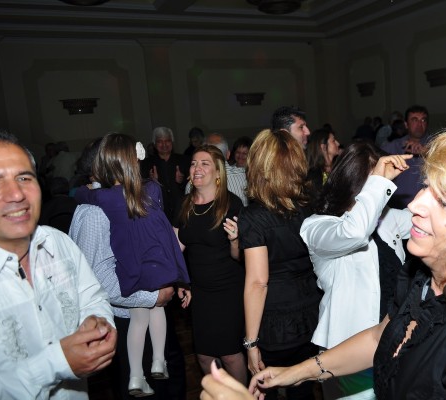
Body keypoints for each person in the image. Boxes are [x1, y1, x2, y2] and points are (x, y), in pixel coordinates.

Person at [250, 123, 446, 399]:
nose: (416, 203)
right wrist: (297, 372)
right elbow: (380, 337)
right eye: (425, 187)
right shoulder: (421, 278)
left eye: (443, 201)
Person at [0, 130, 117, 399]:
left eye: (24, 177)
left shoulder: (57, 243)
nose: (16, 194)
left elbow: (93, 297)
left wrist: (97, 323)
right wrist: (57, 363)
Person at [75, 133, 191, 396]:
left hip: (146, 289)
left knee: (168, 379)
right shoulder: (96, 211)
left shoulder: (114, 197)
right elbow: (97, 281)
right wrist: (155, 295)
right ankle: (149, 370)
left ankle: (151, 370)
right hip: (131, 308)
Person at [301, 142, 412, 399]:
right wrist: (377, 183)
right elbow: (355, 233)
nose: (382, 185)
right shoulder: (317, 227)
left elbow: (431, 221)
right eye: (375, 179)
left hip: (393, 343)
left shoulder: (388, 218)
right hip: (349, 350)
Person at [239, 129, 322, 400]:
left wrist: (251, 343)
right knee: (303, 390)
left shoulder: (254, 216)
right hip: (312, 314)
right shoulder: (310, 206)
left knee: (266, 389)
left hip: (274, 323)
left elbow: (257, 282)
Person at [174, 144, 246, 383]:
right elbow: (175, 249)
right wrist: (180, 280)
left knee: (230, 355)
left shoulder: (231, 204)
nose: (197, 168)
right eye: (194, 163)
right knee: (204, 357)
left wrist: (235, 240)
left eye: (205, 164)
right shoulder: (184, 204)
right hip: (200, 292)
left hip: (228, 291)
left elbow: (239, 256)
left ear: (218, 172)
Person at [381, 105, 430, 208]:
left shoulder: (435, 146)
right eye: (415, 120)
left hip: (426, 207)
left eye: (423, 120)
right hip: (397, 207)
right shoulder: (394, 146)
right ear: (406, 124)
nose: (419, 124)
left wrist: (427, 152)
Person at [140, 127, 190, 221]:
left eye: (167, 141)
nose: (164, 145)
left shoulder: (184, 160)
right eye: (160, 141)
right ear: (154, 144)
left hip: (182, 211)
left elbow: (192, 187)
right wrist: (151, 182)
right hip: (159, 214)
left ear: (172, 142)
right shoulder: (146, 164)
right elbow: (141, 191)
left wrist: (182, 181)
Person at [205, 133, 248, 205]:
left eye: (244, 153)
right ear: (229, 154)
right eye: (238, 152)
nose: (240, 156)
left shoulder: (249, 176)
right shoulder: (241, 174)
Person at [305, 128, 340, 204]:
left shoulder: (337, 167)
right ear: (323, 147)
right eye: (333, 141)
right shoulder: (314, 174)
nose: (338, 143)